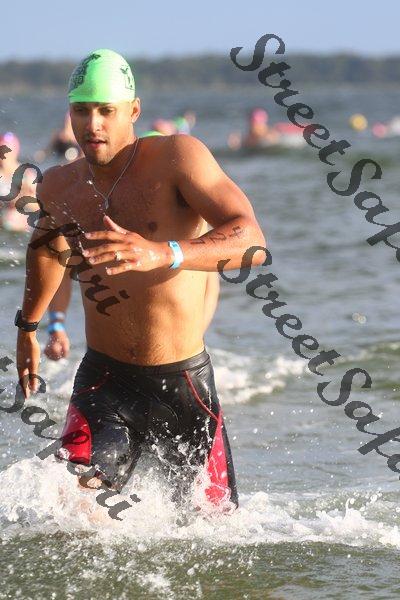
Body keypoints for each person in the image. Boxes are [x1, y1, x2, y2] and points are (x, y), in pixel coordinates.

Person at [16, 49, 266, 511]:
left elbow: (251, 240)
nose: (93, 124)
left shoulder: (177, 158)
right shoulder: (58, 185)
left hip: (184, 387)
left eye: (106, 111)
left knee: (216, 531)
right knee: (70, 511)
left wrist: (164, 252)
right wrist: (29, 327)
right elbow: (48, 248)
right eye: (81, 110)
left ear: (133, 111)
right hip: (104, 382)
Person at [0, 132, 38, 232]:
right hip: (3, 221)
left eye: (7, 151)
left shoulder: (26, 175)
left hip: (17, 225)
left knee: (13, 217)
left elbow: (39, 206)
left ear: (15, 152)